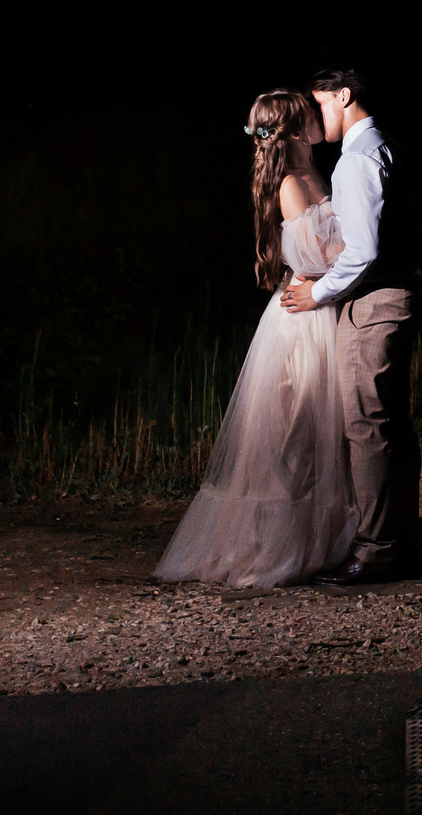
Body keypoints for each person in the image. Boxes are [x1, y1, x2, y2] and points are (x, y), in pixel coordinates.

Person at [152, 89, 356, 587]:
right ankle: (278, 544)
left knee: (321, 435)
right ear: (291, 131)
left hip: (323, 309)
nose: (317, 121)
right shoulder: (290, 184)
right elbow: (316, 257)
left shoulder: (315, 174)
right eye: (308, 117)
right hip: (303, 320)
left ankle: (321, 538)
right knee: (294, 431)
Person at [279, 65, 420, 583]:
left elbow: (362, 250)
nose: (317, 119)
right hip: (399, 295)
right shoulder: (387, 146)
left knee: (367, 426)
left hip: (374, 305)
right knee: (392, 426)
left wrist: (315, 292)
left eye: (320, 106)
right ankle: (398, 539)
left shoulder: (355, 161)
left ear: (344, 96)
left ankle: (377, 549)